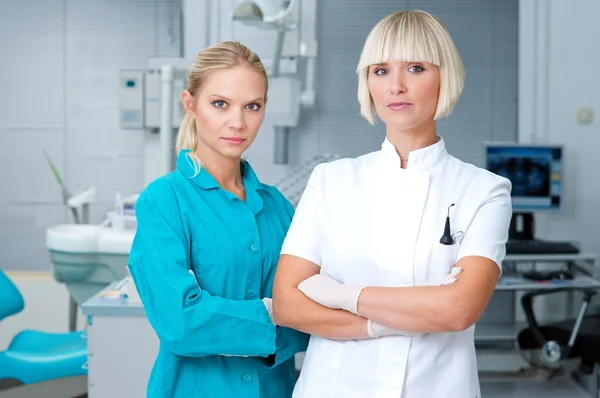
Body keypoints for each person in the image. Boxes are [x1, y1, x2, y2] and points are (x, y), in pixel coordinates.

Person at [272, 10, 512, 398]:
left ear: (444, 77)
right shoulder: (331, 181)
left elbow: (457, 311)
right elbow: (287, 304)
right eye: (380, 70)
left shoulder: (484, 190)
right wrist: (397, 320)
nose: (396, 86)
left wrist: (341, 295)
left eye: (415, 68)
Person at [128, 41, 309, 398]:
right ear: (190, 104)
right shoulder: (164, 201)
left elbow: (309, 320)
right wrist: (276, 314)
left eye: (252, 106)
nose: (238, 122)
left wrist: (286, 317)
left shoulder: (278, 207)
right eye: (220, 104)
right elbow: (180, 322)